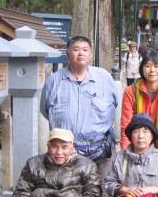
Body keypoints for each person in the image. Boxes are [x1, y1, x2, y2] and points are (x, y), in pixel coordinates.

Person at [40, 36, 118, 175]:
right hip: (65, 152)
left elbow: (115, 104)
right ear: (68, 54)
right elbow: (45, 110)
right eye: (76, 49)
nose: (81, 53)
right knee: (68, 194)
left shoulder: (104, 78)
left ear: (90, 54)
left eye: (85, 50)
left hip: (100, 150)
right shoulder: (55, 80)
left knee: (102, 191)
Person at [120, 51, 158, 163]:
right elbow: (126, 124)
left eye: (156, 66)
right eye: (148, 66)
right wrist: (125, 154)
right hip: (137, 147)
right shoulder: (131, 91)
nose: (152, 70)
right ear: (142, 69)